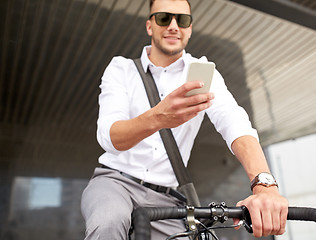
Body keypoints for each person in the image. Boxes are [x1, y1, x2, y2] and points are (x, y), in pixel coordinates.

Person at [81, 0, 288, 239]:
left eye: (182, 20)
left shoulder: (202, 72)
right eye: (163, 18)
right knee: (109, 222)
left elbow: (233, 121)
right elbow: (109, 137)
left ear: (189, 29)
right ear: (150, 26)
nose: (173, 26)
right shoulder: (121, 69)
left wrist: (264, 184)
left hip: (166, 197)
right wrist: (158, 117)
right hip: (115, 182)